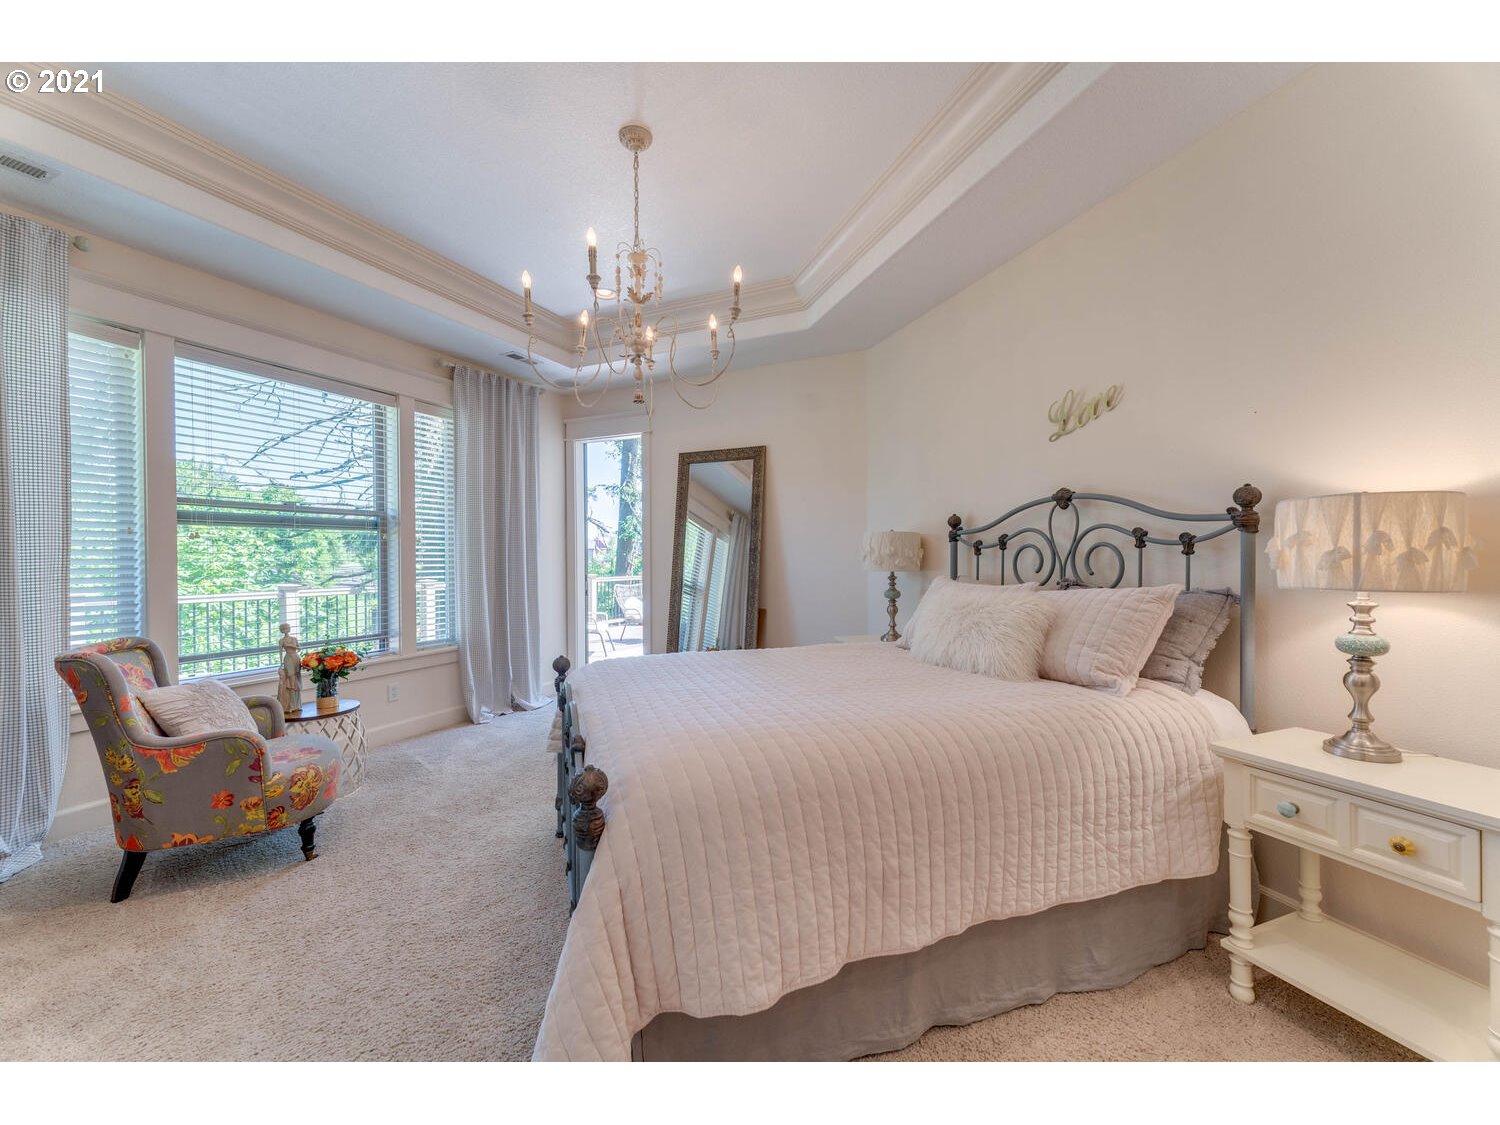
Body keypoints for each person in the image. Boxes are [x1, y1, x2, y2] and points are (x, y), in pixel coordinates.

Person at [278, 623, 303, 714]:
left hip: (295, 658)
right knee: (291, 680)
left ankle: (297, 704)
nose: (286, 630)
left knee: (296, 679)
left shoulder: (294, 639)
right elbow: (280, 652)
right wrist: (281, 663)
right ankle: (291, 705)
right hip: (288, 659)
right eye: (284, 628)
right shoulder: (281, 640)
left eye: (287, 628)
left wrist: (292, 647)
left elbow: (299, 648)